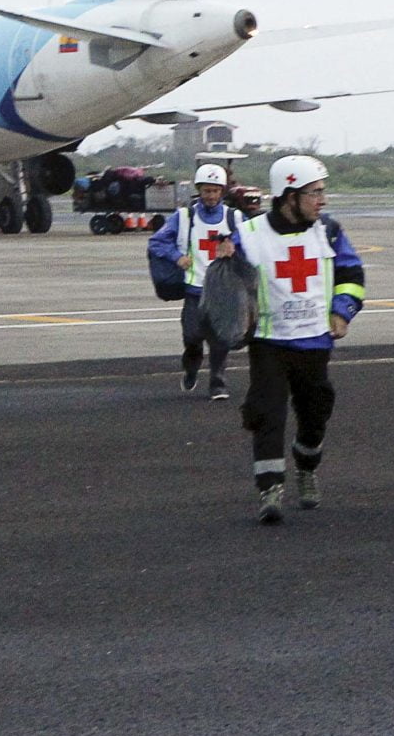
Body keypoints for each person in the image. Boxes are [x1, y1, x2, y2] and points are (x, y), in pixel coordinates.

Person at [225, 154, 364, 523]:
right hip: (269, 342)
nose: (323, 200)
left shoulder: (329, 231)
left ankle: (306, 466)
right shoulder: (249, 235)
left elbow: (351, 272)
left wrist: (343, 309)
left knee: (315, 410)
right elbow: (225, 290)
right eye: (315, 192)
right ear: (289, 196)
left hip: (315, 342)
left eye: (323, 191)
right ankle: (270, 489)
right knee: (266, 412)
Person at [147, 163, 239, 399]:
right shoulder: (184, 217)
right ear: (199, 190)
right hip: (194, 290)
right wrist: (176, 257)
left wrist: (234, 247)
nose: (211, 196)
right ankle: (191, 365)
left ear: (222, 192)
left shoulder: (234, 217)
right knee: (192, 337)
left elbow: (253, 241)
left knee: (220, 339)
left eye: (215, 191)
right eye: (207, 190)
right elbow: (157, 242)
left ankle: (218, 382)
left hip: (223, 290)